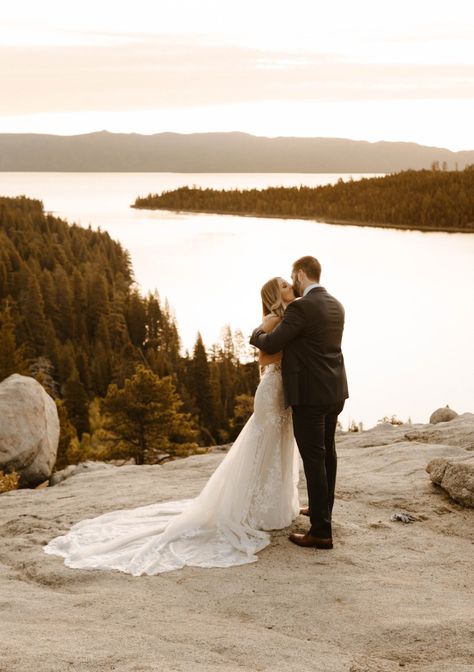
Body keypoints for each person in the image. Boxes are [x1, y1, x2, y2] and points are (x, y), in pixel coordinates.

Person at [43, 278, 299, 575]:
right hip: (272, 389)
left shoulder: (285, 317)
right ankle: (252, 510)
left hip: (281, 391)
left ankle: (273, 506)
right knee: (263, 447)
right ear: (273, 294)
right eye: (282, 284)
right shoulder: (272, 320)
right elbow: (266, 356)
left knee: (277, 446)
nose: (288, 285)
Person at [250, 256, 348, 550]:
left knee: (314, 458)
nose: (292, 283)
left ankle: (321, 532)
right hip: (335, 391)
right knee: (328, 453)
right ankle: (323, 512)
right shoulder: (335, 303)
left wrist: (254, 334)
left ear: (301, 274)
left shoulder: (302, 307)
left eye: (293, 278)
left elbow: (271, 343)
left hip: (310, 395)